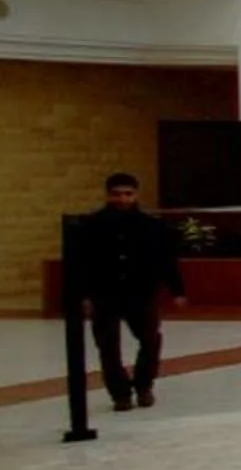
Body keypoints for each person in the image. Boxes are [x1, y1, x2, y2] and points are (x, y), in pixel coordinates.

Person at [70, 172, 182, 413]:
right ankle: (120, 393)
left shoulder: (151, 226)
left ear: (135, 195)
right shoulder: (91, 226)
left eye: (127, 194)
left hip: (141, 293)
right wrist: (83, 295)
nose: (122, 199)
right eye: (117, 194)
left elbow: (166, 260)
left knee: (150, 339)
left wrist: (177, 290)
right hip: (104, 294)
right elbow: (81, 263)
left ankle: (144, 385)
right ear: (108, 195)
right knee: (108, 346)